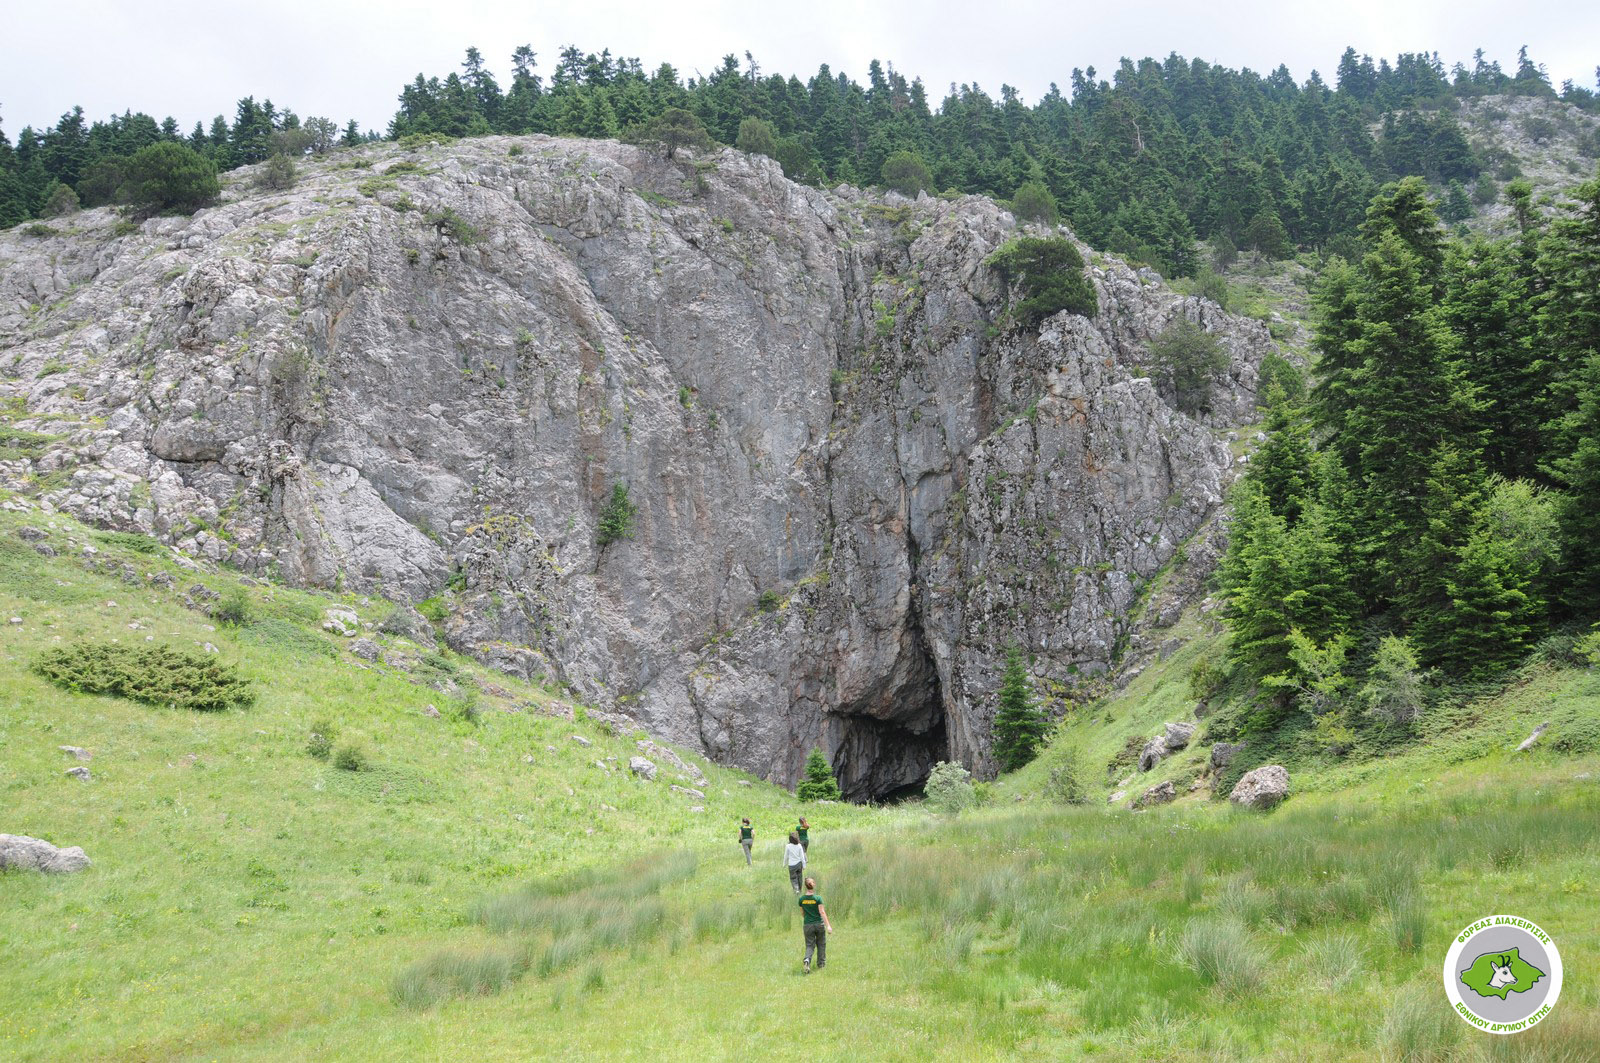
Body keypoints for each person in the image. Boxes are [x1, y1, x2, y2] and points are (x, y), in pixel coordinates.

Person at [798, 877, 832, 973]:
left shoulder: (801, 899)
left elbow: (802, 913)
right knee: (821, 944)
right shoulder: (818, 898)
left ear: (805, 886)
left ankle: (807, 960)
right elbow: (822, 912)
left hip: (807, 925)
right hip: (819, 924)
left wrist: (808, 918)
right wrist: (828, 926)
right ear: (813, 885)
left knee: (809, 945)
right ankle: (821, 965)